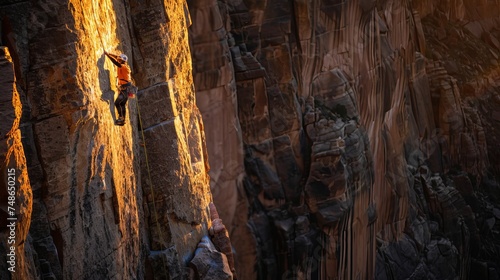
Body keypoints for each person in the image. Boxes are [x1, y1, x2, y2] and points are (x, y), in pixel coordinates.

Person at [104, 51, 133, 126]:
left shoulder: (123, 66)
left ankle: (121, 119)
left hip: (126, 88)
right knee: (122, 103)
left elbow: (115, 62)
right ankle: (122, 120)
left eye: (119, 59)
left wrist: (108, 55)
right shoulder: (124, 65)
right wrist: (110, 54)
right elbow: (117, 58)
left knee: (118, 103)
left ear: (122, 60)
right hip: (127, 87)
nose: (118, 59)